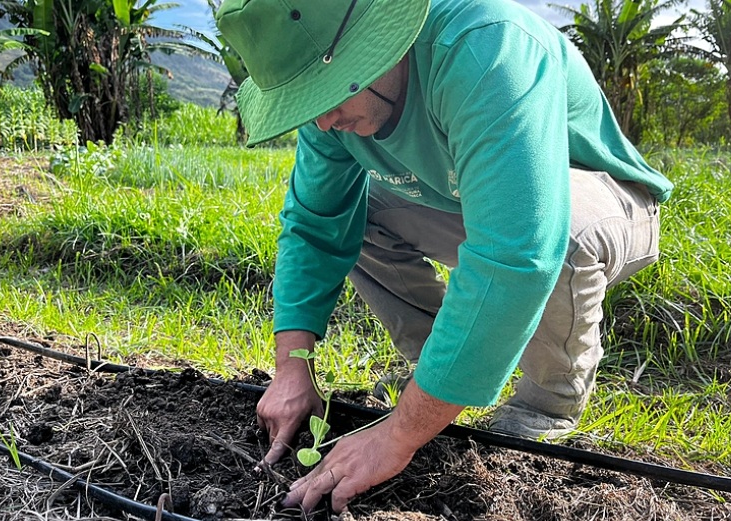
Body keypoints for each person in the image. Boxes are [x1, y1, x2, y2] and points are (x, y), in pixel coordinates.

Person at [217, 0, 673, 514]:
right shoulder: (332, 116)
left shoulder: (487, 48)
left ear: (377, 43)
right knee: (358, 214)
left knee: (559, 236)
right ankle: (437, 370)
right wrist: (292, 365)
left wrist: (399, 434)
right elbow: (315, 225)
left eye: (326, 92)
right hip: (468, 200)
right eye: (303, 101)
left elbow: (518, 252)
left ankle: (549, 403)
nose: (322, 120)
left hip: (603, 202)